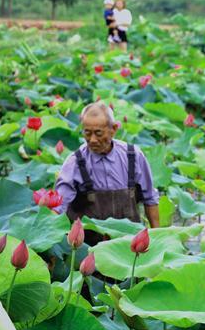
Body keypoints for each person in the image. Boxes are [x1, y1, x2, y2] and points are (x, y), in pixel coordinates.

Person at [55, 102, 160, 244]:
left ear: (114, 129)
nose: (92, 140)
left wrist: (157, 239)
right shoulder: (75, 162)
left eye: (98, 133)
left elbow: (150, 199)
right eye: (87, 133)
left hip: (128, 243)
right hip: (89, 247)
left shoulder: (133, 156)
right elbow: (58, 206)